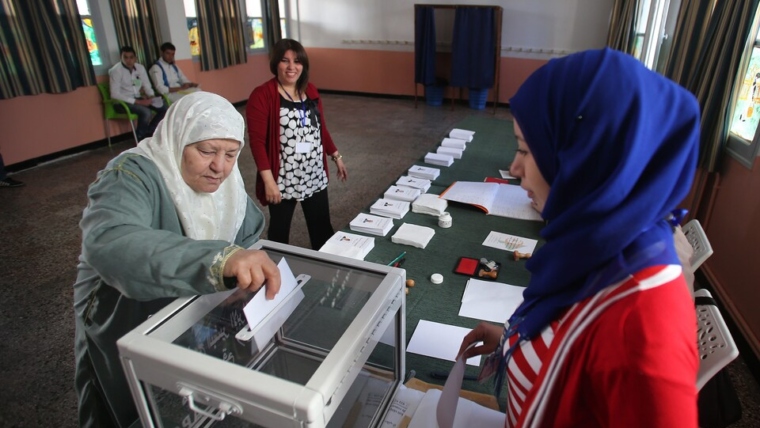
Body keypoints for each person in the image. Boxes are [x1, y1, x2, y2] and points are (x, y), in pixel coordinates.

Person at [459, 48, 700, 427]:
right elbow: (574, 327)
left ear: (586, 155)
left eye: (525, 149)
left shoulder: (646, 327)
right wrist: (515, 338)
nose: (514, 166)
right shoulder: (600, 239)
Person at [73, 92, 282, 428]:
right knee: (125, 406)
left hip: (191, 317)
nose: (220, 167)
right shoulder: (132, 174)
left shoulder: (227, 185)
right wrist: (220, 260)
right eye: (206, 151)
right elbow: (112, 242)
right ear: (178, 137)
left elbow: (248, 233)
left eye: (231, 154)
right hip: (125, 316)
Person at [246, 38, 348, 250]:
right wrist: (269, 181)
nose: (292, 67)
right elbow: (257, 142)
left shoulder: (309, 90)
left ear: (304, 64)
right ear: (276, 64)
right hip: (282, 178)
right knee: (279, 233)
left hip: (314, 172)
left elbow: (321, 128)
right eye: (285, 61)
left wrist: (336, 155)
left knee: (322, 229)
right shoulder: (262, 95)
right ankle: (277, 275)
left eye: (297, 61)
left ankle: (326, 271)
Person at [108, 46, 168, 140]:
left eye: (131, 57)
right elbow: (114, 94)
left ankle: (149, 133)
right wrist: (138, 102)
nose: (128, 60)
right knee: (146, 112)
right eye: (125, 57)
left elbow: (146, 85)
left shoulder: (140, 68)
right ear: (121, 57)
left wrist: (151, 97)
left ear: (135, 58)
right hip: (122, 102)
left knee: (164, 108)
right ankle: (140, 138)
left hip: (139, 98)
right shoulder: (116, 71)